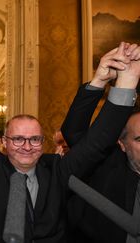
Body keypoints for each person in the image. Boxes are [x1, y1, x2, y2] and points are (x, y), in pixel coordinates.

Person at [0, 42, 139, 243]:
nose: (26, 146)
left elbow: (97, 143)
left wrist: (127, 82)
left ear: (42, 142)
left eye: (34, 139)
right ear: (4, 142)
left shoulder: (57, 171)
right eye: (18, 139)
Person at [63, 43, 140, 243]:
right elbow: (75, 132)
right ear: (121, 144)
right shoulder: (105, 167)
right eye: (139, 139)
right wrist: (99, 81)